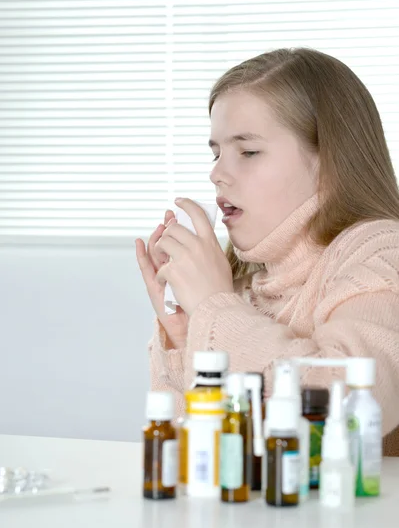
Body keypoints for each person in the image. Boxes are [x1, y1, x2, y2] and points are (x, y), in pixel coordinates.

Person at [136, 47, 399, 455]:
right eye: (216, 152)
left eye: (248, 151)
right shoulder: (241, 282)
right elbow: (188, 461)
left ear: (329, 160)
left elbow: (353, 405)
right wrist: (188, 333)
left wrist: (215, 308)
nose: (216, 173)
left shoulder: (381, 250)